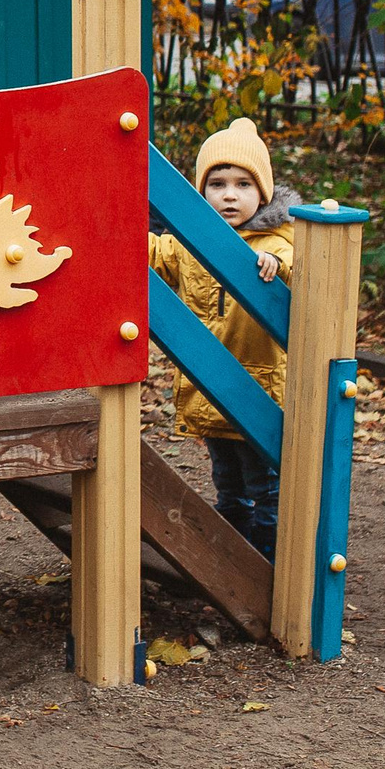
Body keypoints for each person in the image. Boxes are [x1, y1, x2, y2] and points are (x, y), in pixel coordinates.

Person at [148, 117, 295, 558]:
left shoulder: (276, 240)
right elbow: (156, 252)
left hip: (258, 391)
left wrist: (273, 262)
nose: (229, 194)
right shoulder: (189, 242)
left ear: (263, 193)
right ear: (201, 190)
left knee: (265, 488)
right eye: (217, 183)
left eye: (243, 184)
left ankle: (267, 563)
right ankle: (231, 559)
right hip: (210, 389)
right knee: (228, 486)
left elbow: (289, 258)